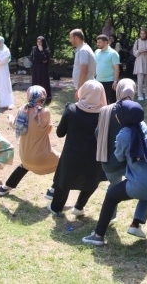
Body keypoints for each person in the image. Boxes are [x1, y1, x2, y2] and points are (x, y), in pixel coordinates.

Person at [83, 100, 147, 246]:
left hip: (142, 183)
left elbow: (119, 157)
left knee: (111, 196)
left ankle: (98, 235)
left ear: (122, 118)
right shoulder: (144, 126)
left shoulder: (124, 135)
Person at [96, 78, 147, 241]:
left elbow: (97, 132)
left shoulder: (105, 110)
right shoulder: (134, 111)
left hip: (108, 161)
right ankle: (136, 223)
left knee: (112, 189)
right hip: (129, 162)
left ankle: (109, 218)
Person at [48, 80, 107, 216]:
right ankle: (79, 207)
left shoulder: (71, 110)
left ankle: (56, 207)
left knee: (64, 180)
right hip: (93, 156)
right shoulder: (104, 114)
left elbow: (60, 133)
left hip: (72, 154)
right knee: (91, 181)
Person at [0, 86, 59, 196]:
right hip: (42, 157)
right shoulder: (45, 112)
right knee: (65, 162)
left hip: (24, 156)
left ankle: (5, 187)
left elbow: (15, 124)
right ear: (42, 98)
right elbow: (48, 130)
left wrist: (10, 118)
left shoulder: (22, 110)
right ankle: (53, 191)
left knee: (25, 165)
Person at [69, 29, 97, 100]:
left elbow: (84, 71)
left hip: (86, 88)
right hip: (86, 87)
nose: (70, 40)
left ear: (76, 38)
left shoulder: (83, 50)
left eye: (71, 38)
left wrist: (79, 90)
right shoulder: (81, 49)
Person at [94, 34, 120, 104]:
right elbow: (95, 65)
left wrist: (115, 81)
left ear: (105, 42)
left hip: (110, 82)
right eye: (97, 42)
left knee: (112, 103)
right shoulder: (96, 52)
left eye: (100, 42)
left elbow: (116, 68)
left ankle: (112, 115)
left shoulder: (113, 53)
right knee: (100, 103)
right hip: (98, 81)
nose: (98, 44)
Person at [132, 28, 147, 101]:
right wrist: (139, 51)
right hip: (139, 60)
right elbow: (134, 52)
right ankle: (140, 94)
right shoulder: (137, 41)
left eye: (144, 33)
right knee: (140, 78)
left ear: (146, 34)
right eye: (141, 33)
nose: (142, 35)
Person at [30, 36, 52, 104]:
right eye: (37, 42)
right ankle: (34, 98)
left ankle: (45, 98)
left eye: (40, 42)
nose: (39, 43)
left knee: (43, 83)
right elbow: (31, 57)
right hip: (36, 68)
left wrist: (41, 51)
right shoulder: (34, 48)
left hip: (43, 69)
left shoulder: (46, 50)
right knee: (35, 82)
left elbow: (45, 60)